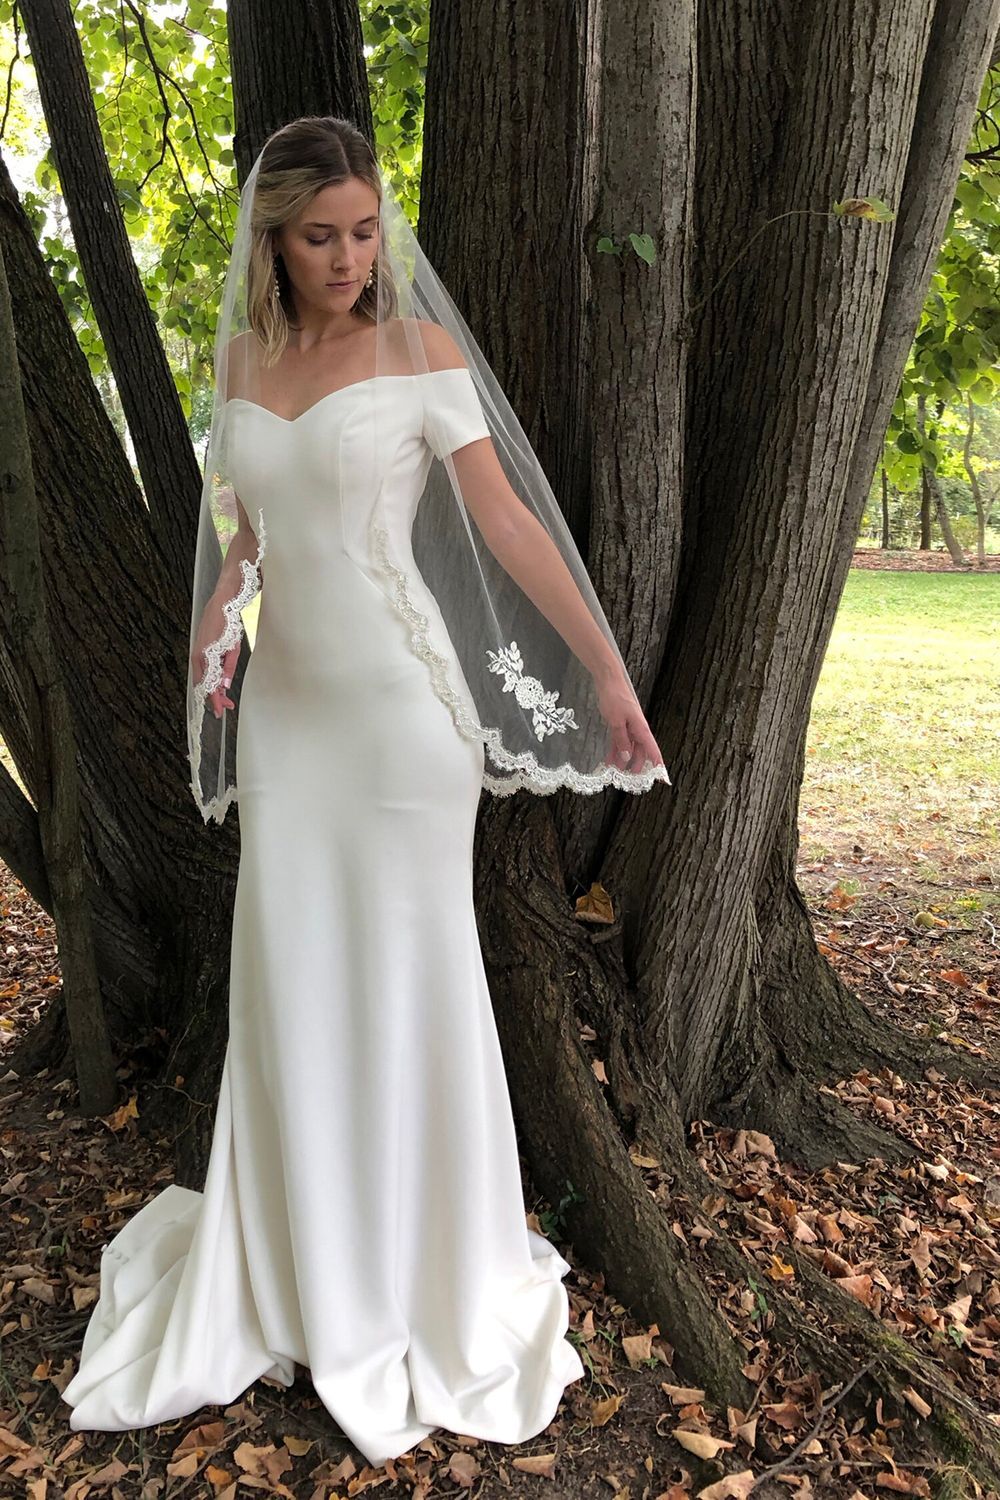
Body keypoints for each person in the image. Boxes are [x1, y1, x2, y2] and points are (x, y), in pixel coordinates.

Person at [61, 115, 670, 1468]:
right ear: (272, 241)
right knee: (293, 978)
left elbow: (505, 520)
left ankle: (419, 1267)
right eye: (321, 235)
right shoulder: (240, 360)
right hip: (288, 724)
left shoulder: (419, 351)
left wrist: (606, 677)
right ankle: (294, 1261)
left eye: (363, 230)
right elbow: (239, 536)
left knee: (409, 974)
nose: (349, 256)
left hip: (404, 729)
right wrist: (213, 646)